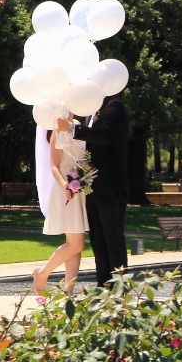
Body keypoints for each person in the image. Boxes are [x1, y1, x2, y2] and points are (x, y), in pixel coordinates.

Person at [60, 94, 130, 286]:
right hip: (93, 187)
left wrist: (72, 128)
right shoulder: (90, 113)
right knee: (98, 240)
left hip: (111, 187)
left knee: (113, 239)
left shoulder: (114, 107)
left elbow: (105, 136)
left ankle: (118, 287)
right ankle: (103, 285)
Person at [32, 118, 89, 294]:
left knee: (75, 244)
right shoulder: (56, 128)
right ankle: (42, 273)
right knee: (76, 244)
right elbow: (54, 166)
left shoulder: (78, 125)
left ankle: (68, 293)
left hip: (80, 186)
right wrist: (65, 185)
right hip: (65, 189)